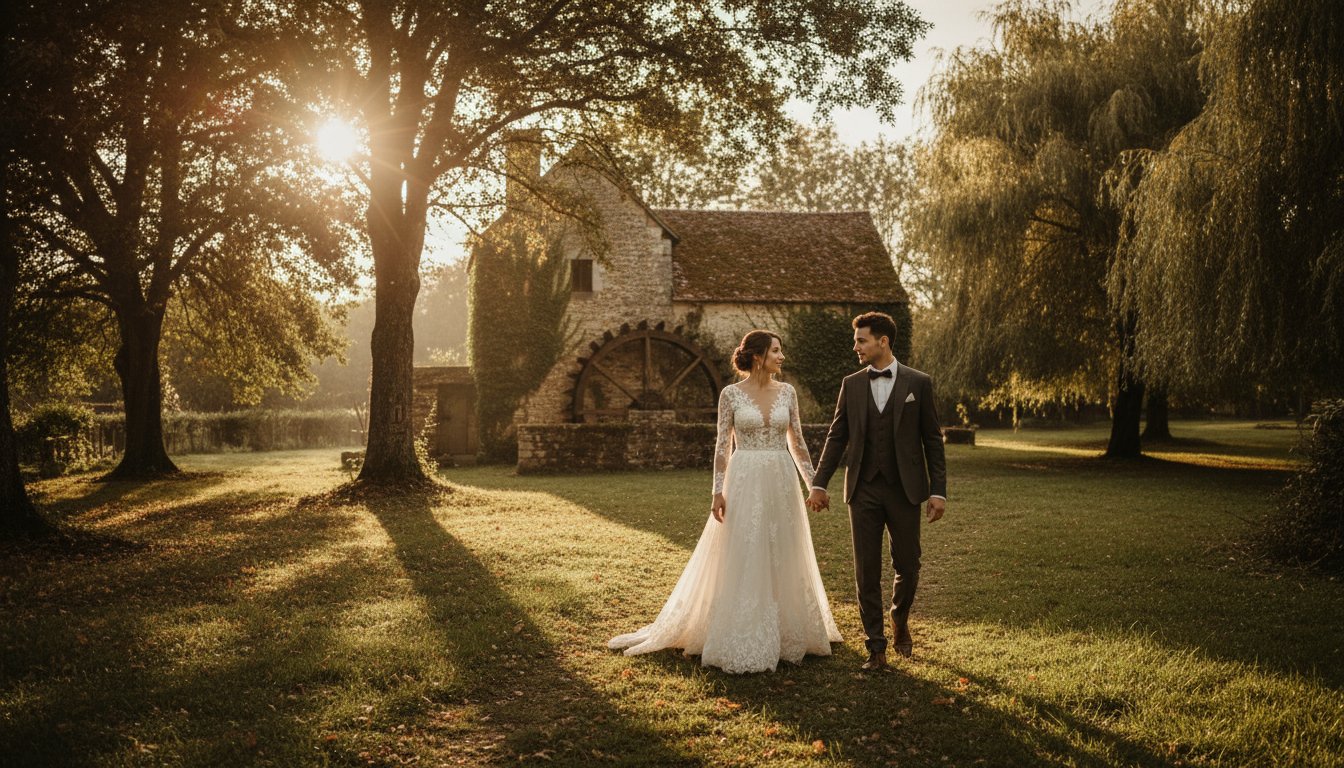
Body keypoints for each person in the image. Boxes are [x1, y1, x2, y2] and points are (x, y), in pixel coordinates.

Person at [608, 330, 841, 673]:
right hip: (743, 476)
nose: (782, 356)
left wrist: (813, 485)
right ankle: (741, 626)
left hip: (780, 476)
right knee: (745, 548)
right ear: (759, 356)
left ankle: (790, 631)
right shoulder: (731, 395)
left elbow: (799, 443)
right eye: (776, 351)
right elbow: (721, 447)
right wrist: (717, 491)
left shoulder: (787, 393)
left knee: (783, 547)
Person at [807, 312, 947, 671]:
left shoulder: (919, 383)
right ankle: (876, 647)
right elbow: (838, 436)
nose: (855, 346)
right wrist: (819, 483)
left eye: (861, 340)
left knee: (908, 563)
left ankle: (899, 618)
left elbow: (932, 440)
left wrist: (938, 491)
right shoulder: (851, 384)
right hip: (863, 488)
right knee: (866, 570)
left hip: (905, 489)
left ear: (882, 341)